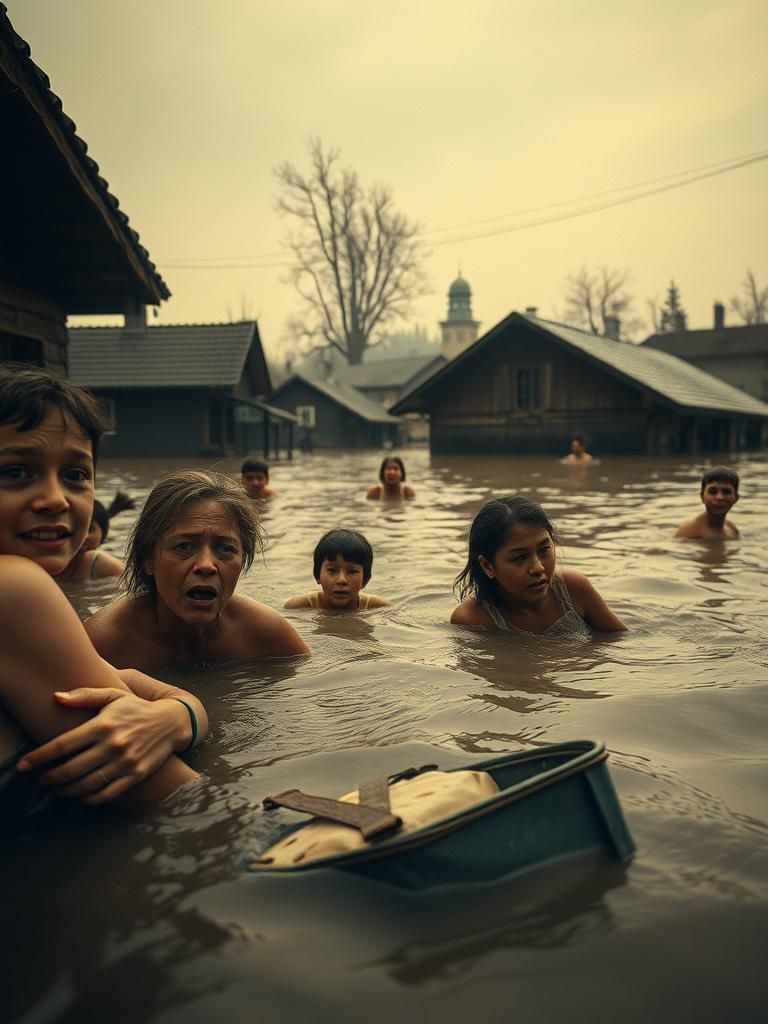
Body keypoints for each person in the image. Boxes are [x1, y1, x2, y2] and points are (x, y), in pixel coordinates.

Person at [0, 365, 205, 831]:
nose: (54, 498)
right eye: (14, 472)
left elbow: (145, 691)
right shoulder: (14, 588)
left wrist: (176, 718)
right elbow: (193, 808)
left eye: (75, 474)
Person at [85, 470, 309, 671]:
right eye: (184, 546)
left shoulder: (265, 635)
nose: (206, 565)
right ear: (148, 560)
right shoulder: (103, 644)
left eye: (225, 549)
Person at [450, 496, 626, 635]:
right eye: (519, 558)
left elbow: (621, 642)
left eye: (544, 550)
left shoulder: (573, 589)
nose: (538, 568)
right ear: (488, 566)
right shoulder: (473, 620)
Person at [284, 529, 389, 611]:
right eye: (332, 570)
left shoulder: (377, 608)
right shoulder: (298, 607)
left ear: (365, 580)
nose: (341, 580)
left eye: (352, 571)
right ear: (317, 575)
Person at [57, 490, 136, 581]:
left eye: (90, 530)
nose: (84, 536)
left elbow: (131, 582)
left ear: (104, 534)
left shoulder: (98, 561)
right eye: (75, 528)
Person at [674, 467, 740, 540]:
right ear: (702, 497)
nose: (719, 497)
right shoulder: (689, 531)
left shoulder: (732, 529)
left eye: (726, 492)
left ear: (736, 498)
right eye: (713, 492)